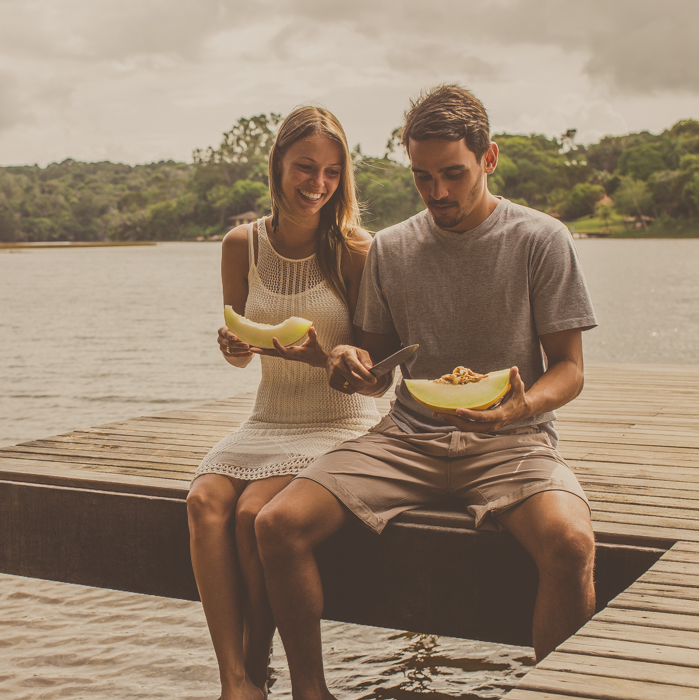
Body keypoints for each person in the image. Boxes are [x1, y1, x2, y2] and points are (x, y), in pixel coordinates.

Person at [255, 84, 598, 700]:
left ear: (488, 159)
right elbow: (376, 365)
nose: (437, 192)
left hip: (511, 438)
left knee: (571, 542)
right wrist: (346, 361)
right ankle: (311, 692)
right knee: (277, 523)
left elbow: (569, 368)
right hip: (406, 437)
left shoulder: (542, 239)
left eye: (453, 174)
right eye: (422, 177)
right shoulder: (391, 247)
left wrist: (524, 405)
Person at [187, 106, 380, 700]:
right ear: (276, 165)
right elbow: (244, 353)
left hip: (341, 421)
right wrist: (234, 348)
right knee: (203, 501)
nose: (317, 184)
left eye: (330, 171)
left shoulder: (355, 249)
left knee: (252, 515)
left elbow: (373, 370)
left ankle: (269, 664)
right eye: (304, 168)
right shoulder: (239, 244)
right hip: (268, 418)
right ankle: (236, 682)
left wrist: (331, 355)